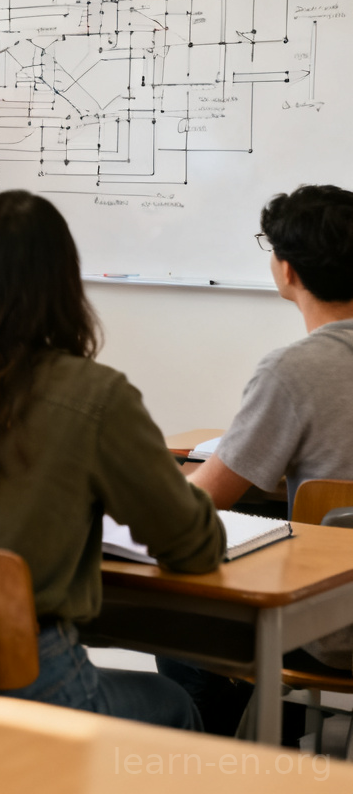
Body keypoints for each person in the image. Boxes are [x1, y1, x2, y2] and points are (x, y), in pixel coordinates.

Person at [0, 190, 225, 734]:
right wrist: (183, 483)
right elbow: (194, 547)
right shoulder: (95, 396)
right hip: (26, 695)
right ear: (63, 286)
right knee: (172, 703)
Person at [159, 183, 353, 736]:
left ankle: (217, 762)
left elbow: (202, 504)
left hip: (332, 629)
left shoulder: (294, 370)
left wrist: (155, 475)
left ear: (287, 270)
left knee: (182, 615)